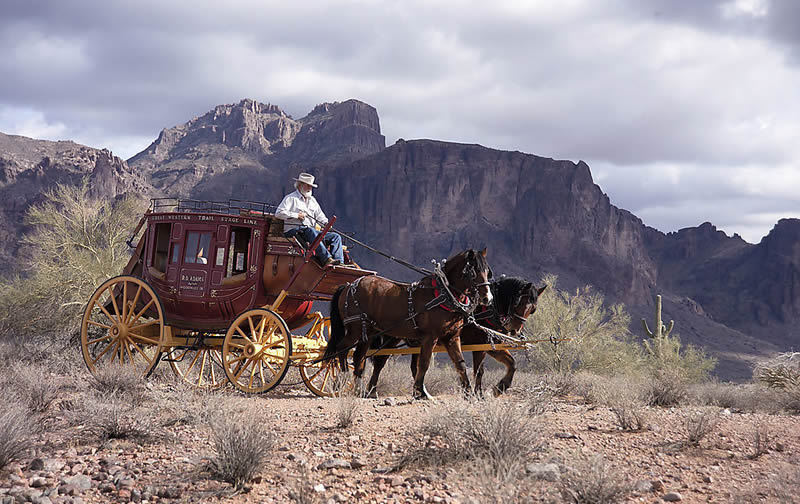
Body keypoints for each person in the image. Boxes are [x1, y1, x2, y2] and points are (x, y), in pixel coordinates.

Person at [275, 172, 344, 267]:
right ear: (300, 185)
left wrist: (326, 223)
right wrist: (296, 215)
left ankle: (339, 262)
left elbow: (320, 215)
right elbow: (278, 213)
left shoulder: (312, 201)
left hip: (310, 233)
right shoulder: (290, 198)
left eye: (311, 186)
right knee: (311, 231)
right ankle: (326, 259)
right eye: (308, 186)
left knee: (335, 237)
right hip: (294, 231)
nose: (310, 188)